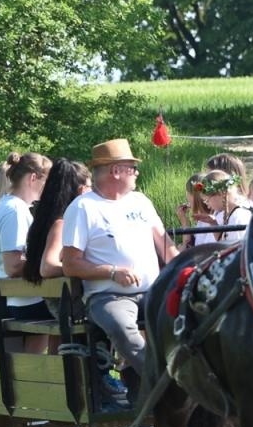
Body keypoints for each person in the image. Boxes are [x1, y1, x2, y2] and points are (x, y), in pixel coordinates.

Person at [61, 139, 177, 406]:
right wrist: (112, 272)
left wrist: (186, 270)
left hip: (152, 291)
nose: (136, 172)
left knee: (191, 313)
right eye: (131, 167)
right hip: (108, 296)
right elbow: (70, 264)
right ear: (115, 171)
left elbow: (165, 245)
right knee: (122, 329)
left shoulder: (140, 201)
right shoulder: (83, 208)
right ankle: (166, 383)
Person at [0, 151, 49, 281]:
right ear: (33, 178)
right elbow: (13, 266)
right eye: (45, 181)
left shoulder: (10, 205)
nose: (47, 187)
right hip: (24, 299)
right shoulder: (15, 210)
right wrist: (49, 264)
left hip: (19, 297)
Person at [23, 158, 90, 284]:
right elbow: (47, 267)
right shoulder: (61, 224)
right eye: (90, 187)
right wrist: (85, 271)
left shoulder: (48, 219)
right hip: (61, 300)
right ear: (82, 190)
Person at [191, 170, 253, 247]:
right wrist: (213, 223)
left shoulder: (238, 217)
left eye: (207, 200)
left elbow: (235, 251)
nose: (208, 205)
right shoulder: (231, 211)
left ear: (220, 194)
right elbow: (224, 242)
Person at [174, 171, 213, 249]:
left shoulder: (210, 220)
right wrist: (185, 222)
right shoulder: (202, 220)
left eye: (188, 193)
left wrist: (183, 249)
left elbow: (188, 246)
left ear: (195, 196)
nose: (186, 196)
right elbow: (190, 243)